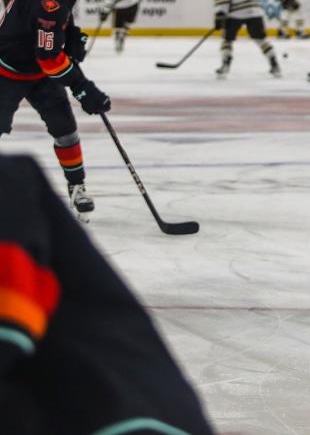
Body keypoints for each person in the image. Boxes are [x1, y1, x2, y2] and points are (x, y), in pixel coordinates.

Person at [0, 152, 215, 434]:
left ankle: (77, 184)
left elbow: (8, 331)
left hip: (124, 419)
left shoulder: (8, 188)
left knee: (58, 118)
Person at [0, 0, 111, 220]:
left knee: (66, 129)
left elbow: (62, 22)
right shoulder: (44, 0)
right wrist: (83, 87)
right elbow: (49, 59)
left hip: (38, 70)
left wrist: (72, 35)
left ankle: (77, 186)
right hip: (7, 70)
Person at [212, 0, 281, 79]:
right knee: (261, 39)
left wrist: (219, 14)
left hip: (236, 12)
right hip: (255, 9)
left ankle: (225, 65)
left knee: (227, 39)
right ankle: (274, 64)